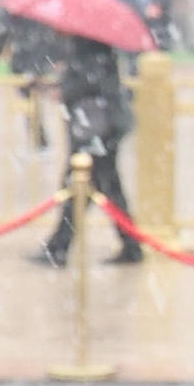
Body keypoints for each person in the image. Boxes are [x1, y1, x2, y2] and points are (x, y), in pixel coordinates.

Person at [34, 25, 143, 267]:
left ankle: (60, 247)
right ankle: (130, 244)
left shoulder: (89, 47)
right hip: (102, 126)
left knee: (81, 185)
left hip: (97, 129)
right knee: (106, 186)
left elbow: (88, 84)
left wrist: (63, 89)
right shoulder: (94, 47)